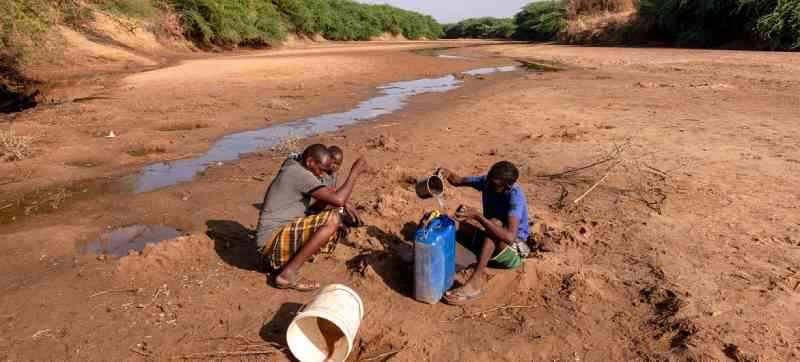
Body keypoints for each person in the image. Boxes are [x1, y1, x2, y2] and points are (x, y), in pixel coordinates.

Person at [256, 144, 368, 291]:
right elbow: (338, 200)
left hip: (274, 236)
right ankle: (287, 275)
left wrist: (340, 205)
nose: (322, 174)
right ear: (310, 162)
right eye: (320, 169)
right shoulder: (299, 174)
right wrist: (354, 173)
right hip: (270, 241)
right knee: (332, 219)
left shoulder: (296, 166)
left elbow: (323, 203)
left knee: (336, 218)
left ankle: (281, 263)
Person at [437, 161, 531, 305]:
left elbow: (510, 237)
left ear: (507, 187)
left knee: (495, 222)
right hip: (492, 240)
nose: (487, 185)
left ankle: (475, 282)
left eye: (493, 184)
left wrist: (478, 216)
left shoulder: (515, 197)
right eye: (488, 178)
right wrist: (446, 173)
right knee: (453, 223)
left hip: (513, 252)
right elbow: (458, 180)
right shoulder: (487, 182)